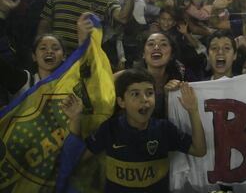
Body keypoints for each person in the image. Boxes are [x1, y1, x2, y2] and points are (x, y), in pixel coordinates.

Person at [60, 69, 206, 193]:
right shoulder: (110, 128)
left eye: (149, 93)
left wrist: (193, 110)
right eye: (135, 94)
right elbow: (75, 160)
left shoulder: (164, 129)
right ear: (121, 102)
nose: (144, 99)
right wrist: (75, 119)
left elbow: (199, 150)